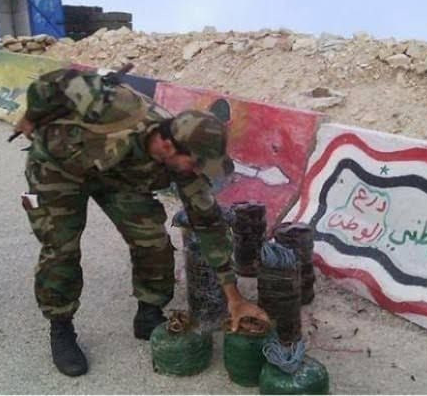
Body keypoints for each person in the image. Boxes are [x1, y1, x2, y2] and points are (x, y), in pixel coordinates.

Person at [15, 67, 269, 377]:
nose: (197, 172)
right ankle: (61, 327)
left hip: (119, 179)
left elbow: (209, 224)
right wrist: (32, 115)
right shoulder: (115, 106)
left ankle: (148, 313)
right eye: (195, 164)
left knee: (153, 242)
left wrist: (235, 298)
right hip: (57, 169)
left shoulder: (184, 162)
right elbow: (54, 81)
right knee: (60, 249)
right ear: (168, 147)